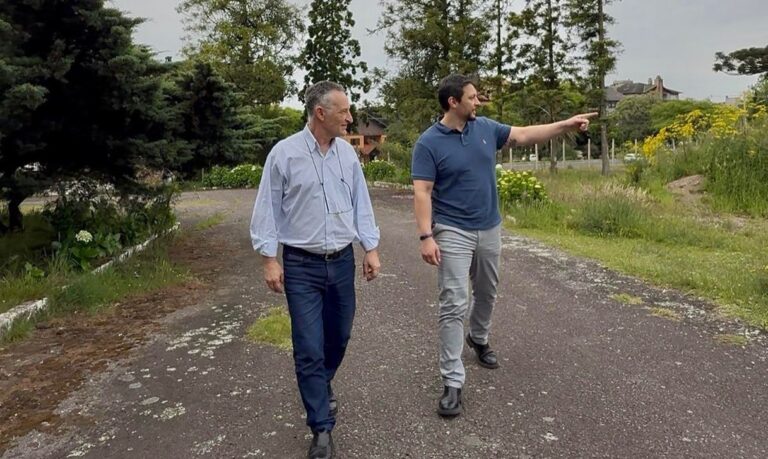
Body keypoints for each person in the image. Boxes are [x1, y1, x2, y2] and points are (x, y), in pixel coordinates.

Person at [412, 74, 595, 417]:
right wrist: (426, 236)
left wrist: (566, 125)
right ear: (453, 102)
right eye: (472, 97)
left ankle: (478, 337)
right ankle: (453, 382)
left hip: (489, 226)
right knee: (453, 301)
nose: (478, 102)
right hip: (452, 229)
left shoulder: (486, 128)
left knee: (487, 290)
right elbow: (422, 191)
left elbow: (525, 134)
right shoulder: (428, 143)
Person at [250, 80, 381, 458]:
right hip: (301, 265)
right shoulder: (284, 154)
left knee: (338, 337)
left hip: (340, 262)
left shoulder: (347, 156)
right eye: (344, 111)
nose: (350, 117)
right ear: (321, 113)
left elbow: (362, 204)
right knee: (308, 346)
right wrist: (269, 258)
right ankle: (321, 427)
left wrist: (370, 248)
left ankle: (320, 384)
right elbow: (267, 208)